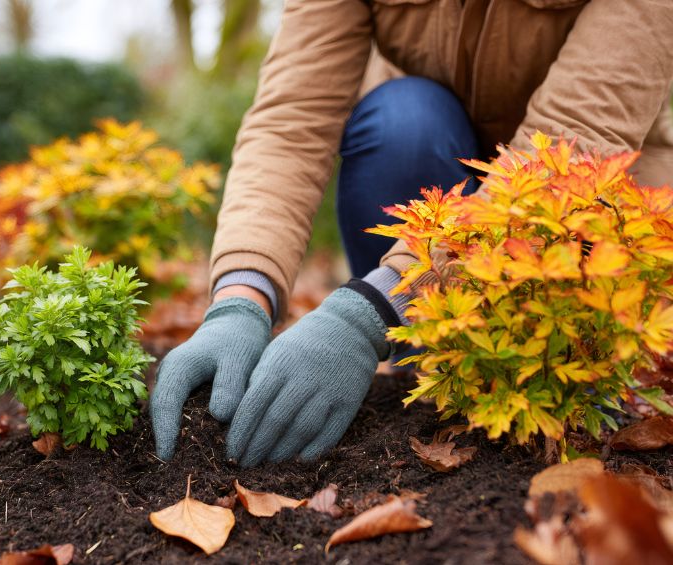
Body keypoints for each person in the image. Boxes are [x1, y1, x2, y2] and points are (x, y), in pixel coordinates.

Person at [150, 0, 673, 467]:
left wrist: (369, 313)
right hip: (429, 163)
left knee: (578, 389)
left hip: (590, 202)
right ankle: (420, 367)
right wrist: (241, 298)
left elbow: (575, 139)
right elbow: (291, 120)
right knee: (402, 121)